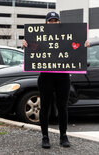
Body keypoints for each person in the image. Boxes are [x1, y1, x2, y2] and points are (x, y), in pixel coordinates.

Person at [23, 12, 89, 149]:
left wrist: (84, 45)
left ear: (59, 22)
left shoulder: (66, 36)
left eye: (55, 20)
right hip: (46, 76)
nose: (53, 22)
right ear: (46, 22)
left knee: (62, 106)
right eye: (50, 21)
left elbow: (74, 48)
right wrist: (26, 45)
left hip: (63, 76)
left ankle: (63, 136)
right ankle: (45, 137)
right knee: (45, 106)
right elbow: (33, 51)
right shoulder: (40, 36)